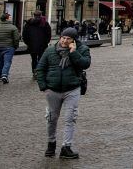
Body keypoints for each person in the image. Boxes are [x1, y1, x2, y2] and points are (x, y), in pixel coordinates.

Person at [35, 27, 91, 159]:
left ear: (74, 40)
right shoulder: (50, 50)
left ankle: (66, 147)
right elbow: (40, 69)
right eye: (63, 38)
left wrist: (73, 52)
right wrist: (44, 87)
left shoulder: (82, 49)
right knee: (51, 119)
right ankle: (51, 144)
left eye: (68, 39)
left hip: (72, 89)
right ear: (60, 37)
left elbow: (86, 64)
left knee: (70, 118)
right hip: (52, 89)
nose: (65, 41)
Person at [0, 13, 21, 83]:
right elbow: (16, 38)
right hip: (9, 47)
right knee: (7, 62)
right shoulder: (13, 27)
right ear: (7, 19)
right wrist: (16, 46)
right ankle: (4, 75)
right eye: (9, 17)